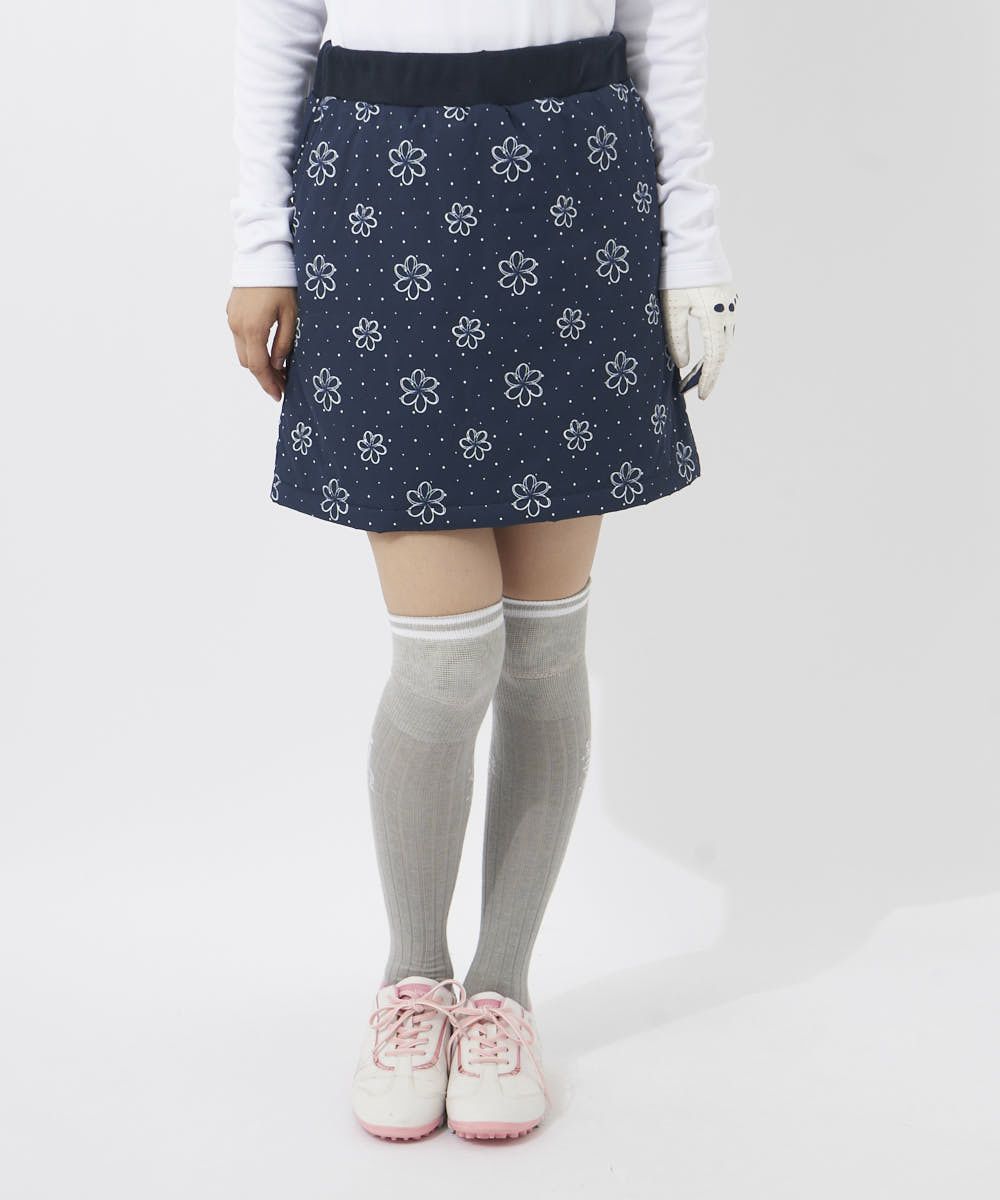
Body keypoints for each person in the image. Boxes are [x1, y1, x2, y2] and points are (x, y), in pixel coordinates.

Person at [226, 0, 737, 1143]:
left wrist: (693, 245)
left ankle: (500, 993)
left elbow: (665, 20)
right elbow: (277, 17)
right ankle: (414, 981)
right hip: (380, 190)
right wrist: (260, 243)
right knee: (447, 665)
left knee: (545, 650)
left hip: (577, 188)